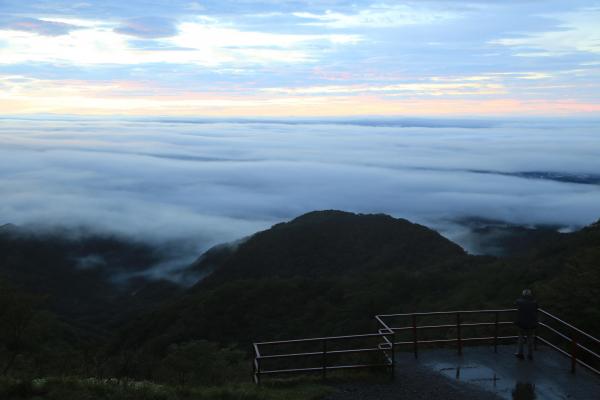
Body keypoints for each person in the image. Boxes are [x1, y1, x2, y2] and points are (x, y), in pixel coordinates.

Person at [515, 289, 538, 360]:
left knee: (521, 338)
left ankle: (520, 353)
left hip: (521, 323)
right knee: (530, 338)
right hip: (531, 323)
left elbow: (515, 303)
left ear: (523, 294)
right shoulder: (534, 302)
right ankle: (530, 354)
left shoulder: (519, 301)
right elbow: (537, 307)